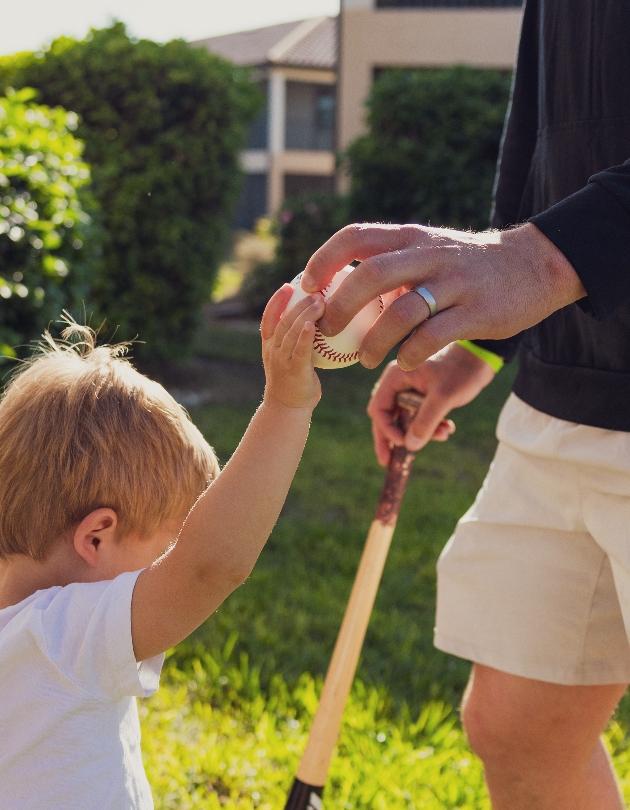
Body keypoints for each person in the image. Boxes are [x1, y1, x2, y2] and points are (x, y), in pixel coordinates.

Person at [300, 0, 630, 807]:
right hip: (559, 397)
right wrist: (484, 342)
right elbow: (540, 140)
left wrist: (547, 263)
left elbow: (545, 245)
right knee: (518, 729)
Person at [0, 285, 324, 810]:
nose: (167, 570)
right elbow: (209, 568)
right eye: (170, 546)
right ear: (96, 538)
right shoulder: (62, 640)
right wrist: (286, 404)